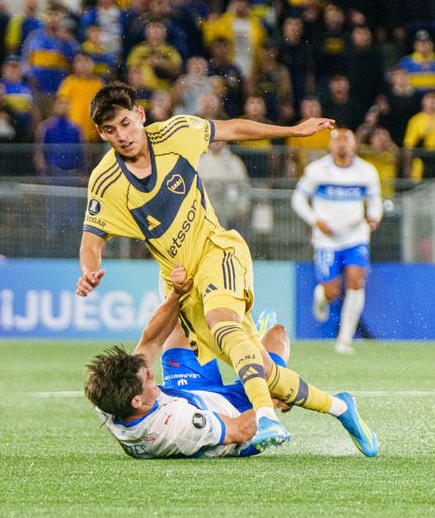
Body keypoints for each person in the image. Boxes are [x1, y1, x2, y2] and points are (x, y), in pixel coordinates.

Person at [77, 81, 339, 442]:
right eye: (109, 130)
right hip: (177, 277)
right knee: (261, 355)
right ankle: (260, 356)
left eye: (125, 123)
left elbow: (232, 129)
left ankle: (265, 407)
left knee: (200, 334)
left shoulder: (176, 133)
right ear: (100, 133)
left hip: (213, 253)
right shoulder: (105, 182)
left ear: (139, 115)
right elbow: (92, 238)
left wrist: (292, 130)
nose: (121, 136)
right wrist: (89, 269)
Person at [85, 264, 378, 459]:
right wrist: (271, 403)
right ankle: (255, 340)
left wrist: (176, 292)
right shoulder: (177, 428)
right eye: (148, 378)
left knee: (180, 325)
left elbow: (151, 341)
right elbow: (240, 429)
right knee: (277, 338)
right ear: (137, 402)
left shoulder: (107, 399)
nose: (152, 373)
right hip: (228, 418)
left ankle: (244, 338)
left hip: (189, 396)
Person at [292, 129, 383, 355]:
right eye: (338, 141)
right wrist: (315, 220)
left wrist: (374, 217)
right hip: (327, 239)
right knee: (332, 292)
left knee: (356, 281)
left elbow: (375, 201)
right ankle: (321, 297)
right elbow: (298, 198)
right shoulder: (317, 170)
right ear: (330, 146)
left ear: (354, 145)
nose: (342, 145)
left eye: (346, 141)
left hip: (355, 235)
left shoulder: (366, 171)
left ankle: (345, 340)